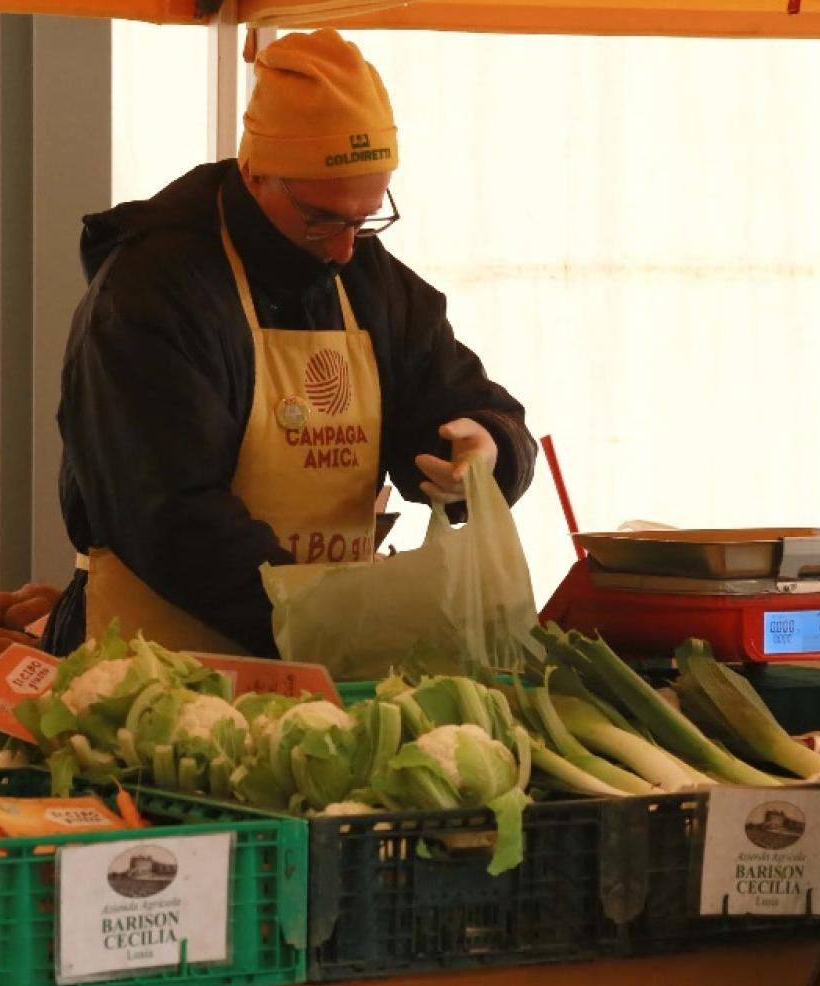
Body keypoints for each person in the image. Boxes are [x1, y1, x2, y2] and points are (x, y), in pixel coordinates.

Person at [44, 29, 537, 660]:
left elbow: (452, 398)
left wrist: (486, 449)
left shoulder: (367, 279)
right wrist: (326, 621)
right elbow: (169, 514)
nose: (343, 248)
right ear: (255, 174)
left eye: (366, 218)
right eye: (322, 218)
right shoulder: (152, 293)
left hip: (320, 653)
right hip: (158, 661)